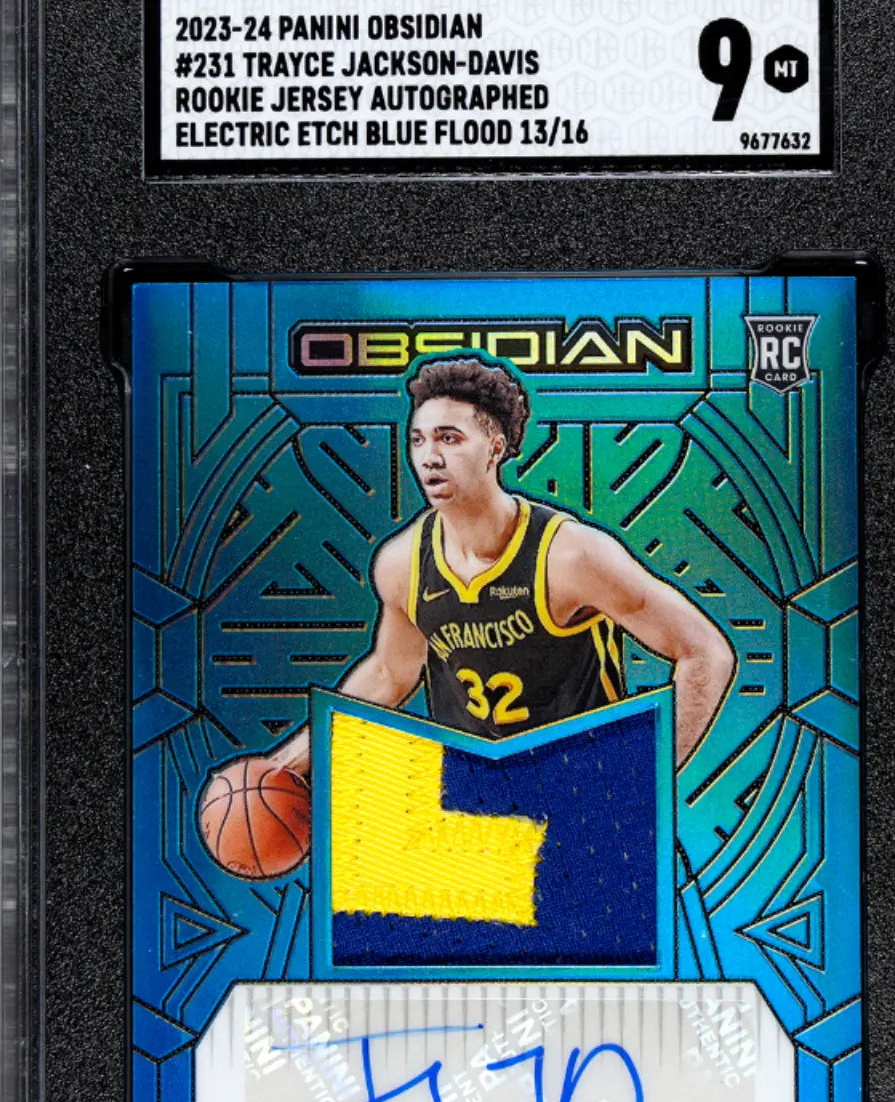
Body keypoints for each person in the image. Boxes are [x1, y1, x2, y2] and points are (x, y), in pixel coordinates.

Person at [203, 355, 734, 850]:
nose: (429, 456)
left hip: (581, 806)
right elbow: (389, 673)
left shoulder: (570, 556)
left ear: (495, 446)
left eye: (449, 438)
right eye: (418, 439)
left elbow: (705, 652)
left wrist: (645, 783)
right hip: (478, 819)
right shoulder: (403, 563)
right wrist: (289, 762)